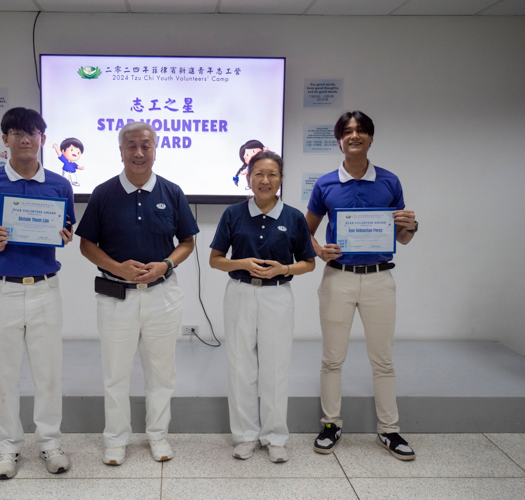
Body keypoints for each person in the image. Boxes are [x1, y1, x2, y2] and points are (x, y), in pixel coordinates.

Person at [76, 121, 199, 466]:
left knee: (162, 372)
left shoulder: (172, 192)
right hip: (117, 296)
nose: (139, 152)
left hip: (162, 294)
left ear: (156, 149)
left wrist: (166, 265)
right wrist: (116, 267)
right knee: (115, 373)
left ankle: (158, 436)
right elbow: (86, 244)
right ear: (120, 151)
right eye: (131, 146)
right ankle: (116, 440)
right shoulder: (103, 193)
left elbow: (187, 242)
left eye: (146, 145)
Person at [0, 107, 75, 479]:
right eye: (17, 132)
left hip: (45, 288)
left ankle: (49, 443)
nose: (26, 139)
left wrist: (65, 235)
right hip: (3, 291)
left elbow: (66, 228)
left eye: (33, 133)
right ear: (5, 138)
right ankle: (7, 447)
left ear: (42, 138)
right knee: (4, 374)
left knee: (49, 373)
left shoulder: (60, 184)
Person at [305, 110, 418, 461]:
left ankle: (389, 430)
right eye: (348, 131)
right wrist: (320, 251)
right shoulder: (325, 184)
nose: (354, 135)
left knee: (382, 359)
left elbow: (404, 236)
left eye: (361, 130)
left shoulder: (389, 181)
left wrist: (411, 225)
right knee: (332, 358)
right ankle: (331, 424)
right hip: (338, 278)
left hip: (380, 278)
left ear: (370, 137)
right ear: (339, 139)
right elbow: (305, 231)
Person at [210, 151, 316, 463]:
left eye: (271, 174)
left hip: (277, 296)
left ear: (281, 180)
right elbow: (215, 260)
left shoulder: (294, 217)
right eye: (258, 174)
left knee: (275, 367)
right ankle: (245, 436)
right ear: (248, 177)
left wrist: (282, 269)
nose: (265, 180)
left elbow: (308, 263)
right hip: (240, 293)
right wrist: (240, 262)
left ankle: (275, 438)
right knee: (240, 366)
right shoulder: (233, 214)